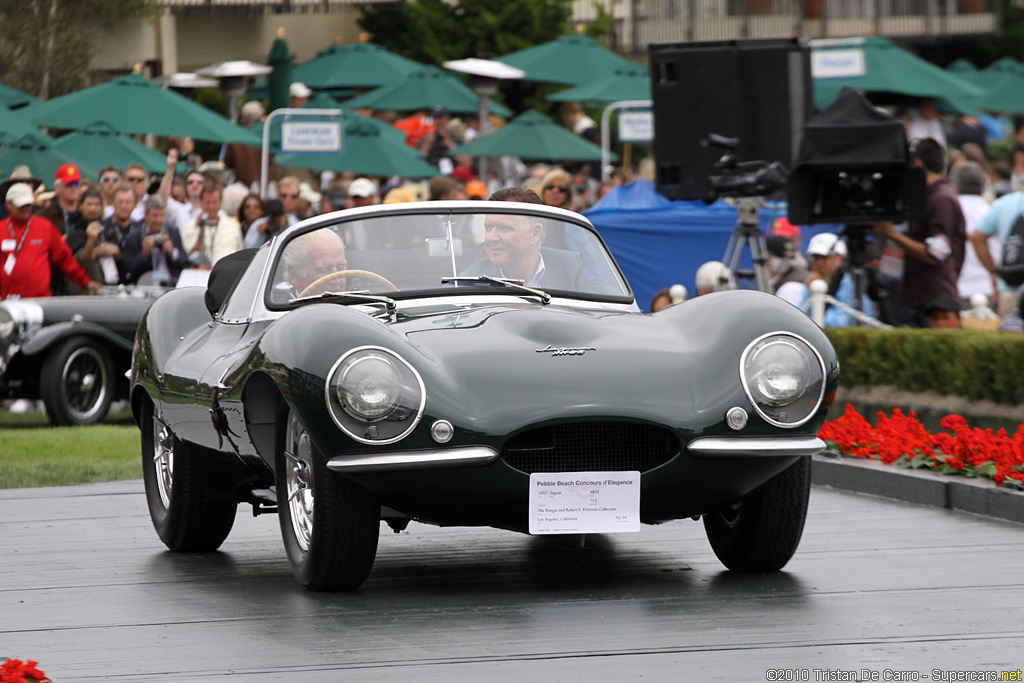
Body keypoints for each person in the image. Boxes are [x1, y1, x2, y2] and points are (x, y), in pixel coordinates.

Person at [878, 138, 966, 327]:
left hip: (935, 301)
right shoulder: (927, 196)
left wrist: (892, 234)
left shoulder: (941, 199)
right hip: (921, 294)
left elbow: (935, 254)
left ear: (916, 163)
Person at [457, 187, 595, 289]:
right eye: (488, 228)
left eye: (504, 228)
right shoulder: (469, 281)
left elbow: (609, 306)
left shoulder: (568, 266)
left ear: (535, 233)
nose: (491, 237)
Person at [1, 183, 101, 299]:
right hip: (9, 299)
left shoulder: (45, 227)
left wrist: (86, 281)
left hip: (40, 298)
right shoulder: (2, 229)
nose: (25, 209)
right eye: (21, 205)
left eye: (28, 205)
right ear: (8, 205)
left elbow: (65, 259)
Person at [951, 161, 999, 308]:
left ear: (954, 186)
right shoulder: (993, 211)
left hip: (957, 288)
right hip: (988, 288)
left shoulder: (949, 210)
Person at [123, 195, 188, 286]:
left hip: (170, 283)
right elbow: (128, 273)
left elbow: (184, 262)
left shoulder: (173, 232)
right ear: (146, 215)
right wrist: (143, 254)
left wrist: (172, 252)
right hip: (145, 284)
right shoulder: (134, 237)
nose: (158, 220)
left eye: (161, 215)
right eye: (155, 216)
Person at [65, 189, 121, 291]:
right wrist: (92, 244)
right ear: (80, 206)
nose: (93, 208)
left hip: (108, 286)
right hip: (83, 290)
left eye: (97, 205)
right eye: (89, 204)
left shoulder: (108, 228)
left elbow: (123, 257)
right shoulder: (75, 232)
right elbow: (79, 261)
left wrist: (116, 251)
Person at [182, 182, 243, 268]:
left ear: (220, 202)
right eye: (208, 202)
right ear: (201, 202)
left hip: (227, 273)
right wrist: (201, 230)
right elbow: (193, 255)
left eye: (215, 202)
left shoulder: (232, 226)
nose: (211, 207)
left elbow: (239, 253)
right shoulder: (191, 226)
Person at [282, 228, 348, 296]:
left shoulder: (356, 301)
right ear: (294, 275)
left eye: (341, 268)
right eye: (324, 270)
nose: (337, 282)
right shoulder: (276, 306)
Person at [418, 106, 462, 174]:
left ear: (447, 118)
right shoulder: (426, 139)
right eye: (436, 118)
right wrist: (427, 143)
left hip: (453, 175)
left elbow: (467, 162)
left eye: (441, 117)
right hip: (431, 173)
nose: (439, 121)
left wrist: (449, 144)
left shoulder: (456, 138)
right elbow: (418, 160)